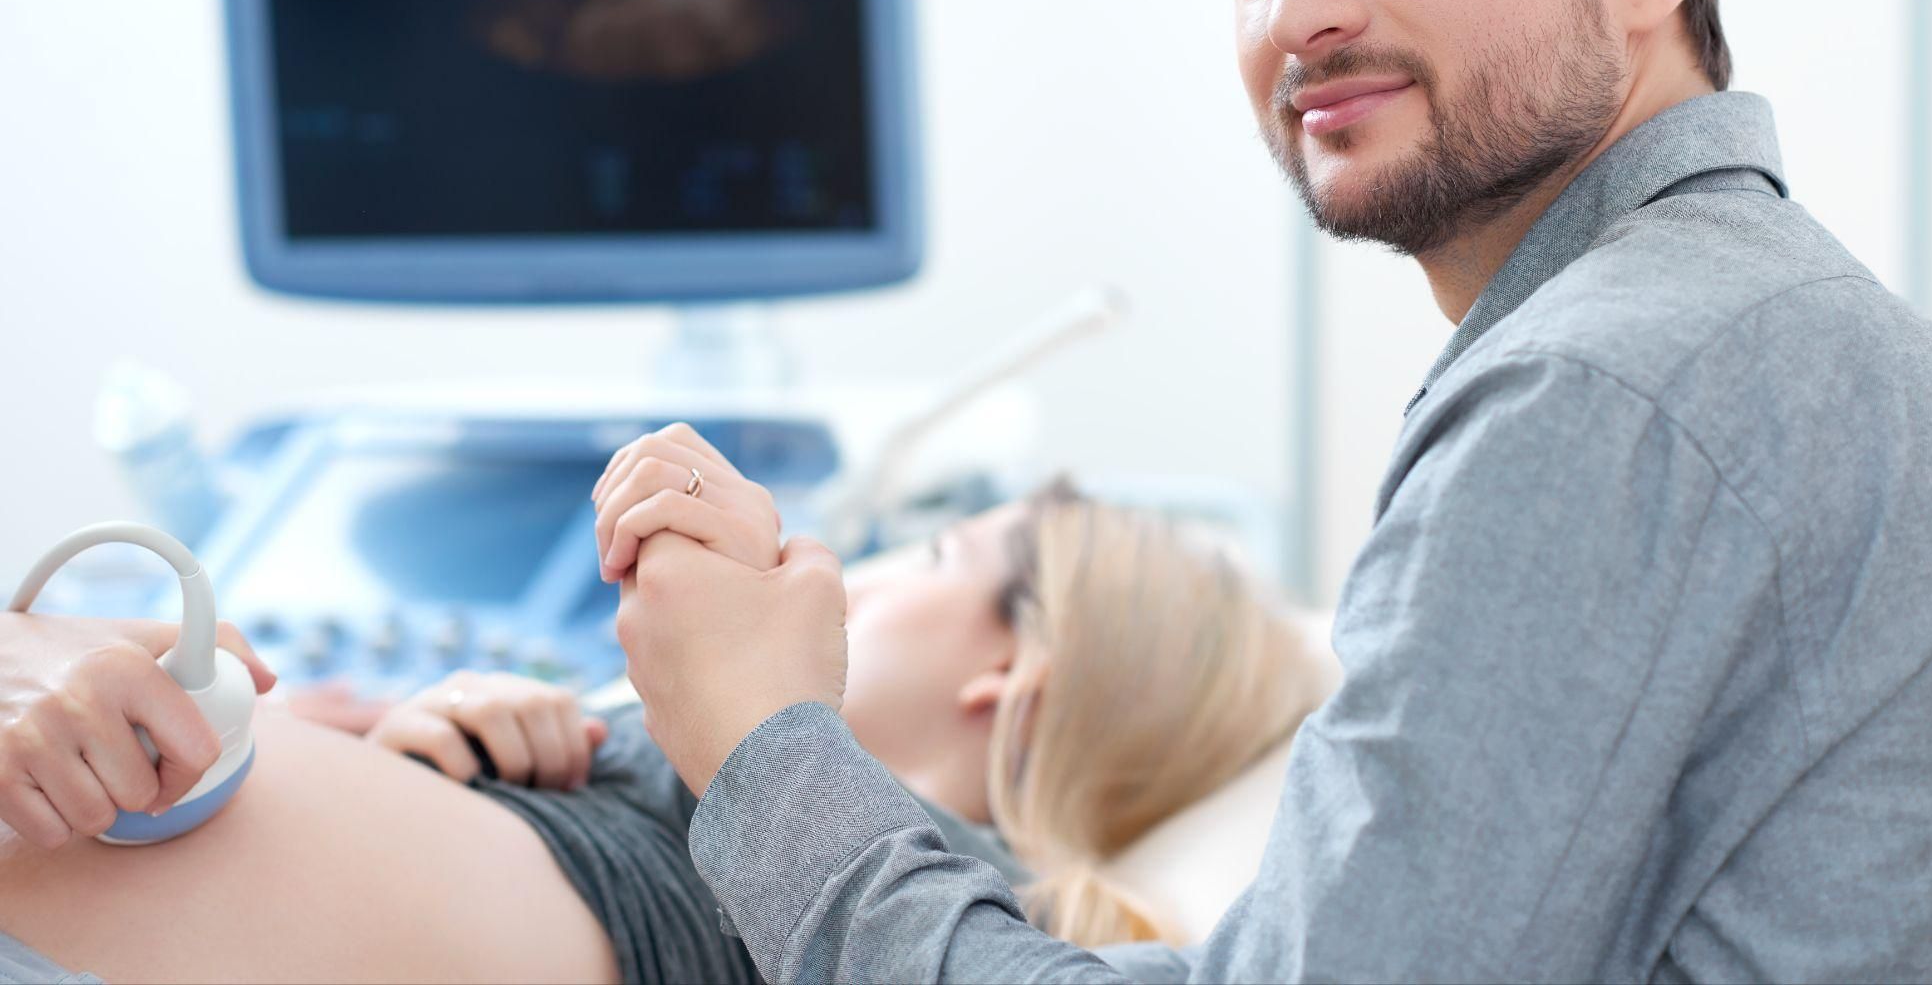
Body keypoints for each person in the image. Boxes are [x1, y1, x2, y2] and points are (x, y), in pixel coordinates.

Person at [588, 0, 1932, 985]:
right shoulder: (1756, 335)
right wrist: (646, 757)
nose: (1300, 14)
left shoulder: (1612, 387)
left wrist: (767, 756)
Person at [0, 485, 1321, 983]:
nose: (844, 560)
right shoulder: (668, 804)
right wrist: (421, 758)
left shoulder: (893, 913)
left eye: (930, 549)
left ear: (1013, 670)